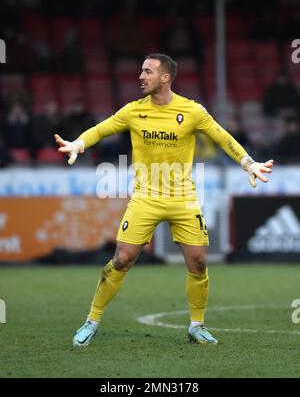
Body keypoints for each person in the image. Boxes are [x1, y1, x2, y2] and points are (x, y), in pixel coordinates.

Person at [54, 53, 274, 346]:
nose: (140, 76)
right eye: (141, 71)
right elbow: (102, 128)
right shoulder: (134, 111)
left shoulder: (192, 111)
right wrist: (77, 144)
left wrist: (249, 163)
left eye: (147, 71)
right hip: (146, 198)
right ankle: (91, 321)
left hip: (183, 199)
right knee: (121, 259)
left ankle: (197, 325)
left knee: (198, 262)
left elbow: (222, 138)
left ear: (165, 77)